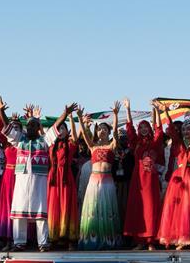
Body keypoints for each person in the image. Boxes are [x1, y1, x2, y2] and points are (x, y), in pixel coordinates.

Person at [157, 99, 190, 250]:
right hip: (179, 177)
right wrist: (165, 112)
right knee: (179, 208)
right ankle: (181, 239)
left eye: (189, 129)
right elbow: (171, 129)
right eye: (184, 129)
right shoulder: (178, 143)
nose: (186, 131)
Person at [5, 103, 54, 251]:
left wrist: (65, 114)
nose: (30, 128)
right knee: (19, 213)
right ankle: (19, 242)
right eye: (28, 125)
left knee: (40, 213)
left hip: (39, 181)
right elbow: (8, 129)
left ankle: (43, 243)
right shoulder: (20, 140)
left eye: (33, 125)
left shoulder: (44, 141)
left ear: (38, 127)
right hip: (22, 180)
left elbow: (55, 129)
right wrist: (1, 111)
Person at [74, 101, 122, 250]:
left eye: (104, 129)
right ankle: (91, 240)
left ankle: (108, 241)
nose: (102, 131)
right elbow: (83, 134)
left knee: (107, 211)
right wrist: (80, 118)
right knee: (93, 211)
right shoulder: (92, 146)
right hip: (94, 182)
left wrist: (115, 115)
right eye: (100, 129)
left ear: (108, 132)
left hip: (107, 182)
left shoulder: (112, 146)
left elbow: (115, 133)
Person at [123, 99, 165, 250]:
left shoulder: (154, 142)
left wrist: (158, 111)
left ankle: (151, 241)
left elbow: (159, 129)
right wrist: (128, 109)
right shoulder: (136, 143)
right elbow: (129, 129)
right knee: (139, 208)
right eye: (141, 127)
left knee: (151, 208)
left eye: (145, 127)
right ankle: (140, 241)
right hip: (138, 180)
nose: (143, 129)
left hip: (151, 179)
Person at [47, 103, 80, 249]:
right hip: (54, 179)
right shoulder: (51, 146)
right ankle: (53, 238)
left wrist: (71, 118)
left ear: (67, 132)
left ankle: (69, 239)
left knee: (66, 207)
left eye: (63, 129)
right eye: (59, 129)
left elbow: (76, 136)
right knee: (53, 208)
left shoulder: (70, 145)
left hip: (66, 179)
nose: (60, 131)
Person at [0, 95, 20, 250]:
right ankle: (3, 237)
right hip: (7, 177)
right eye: (12, 127)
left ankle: (16, 238)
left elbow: (8, 126)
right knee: (5, 207)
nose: (13, 130)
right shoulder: (5, 144)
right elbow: (1, 128)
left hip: (19, 177)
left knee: (17, 207)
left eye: (17, 128)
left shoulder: (22, 143)